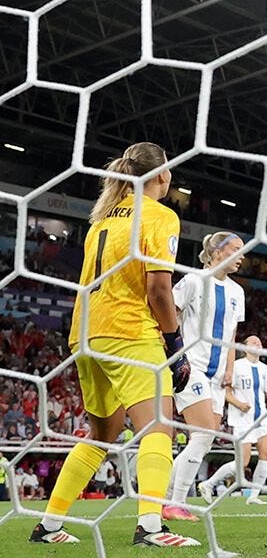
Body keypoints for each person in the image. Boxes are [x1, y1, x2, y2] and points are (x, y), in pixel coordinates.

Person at [30, 142, 200, 547]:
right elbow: (159, 289)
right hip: (128, 330)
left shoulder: (102, 220)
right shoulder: (160, 216)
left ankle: (48, 526)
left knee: (103, 433)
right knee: (160, 425)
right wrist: (175, 343)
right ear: (164, 175)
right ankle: (151, 527)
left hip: (86, 333)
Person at [164, 232, 246, 520]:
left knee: (204, 439)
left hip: (217, 375)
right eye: (236, 249)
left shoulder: (237, 292)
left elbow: (233, 335)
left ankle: (167, 498)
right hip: (191, 367)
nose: (242, 256)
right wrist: (176, 356)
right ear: (218, 251)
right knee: (203, 434)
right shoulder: (193, 281)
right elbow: (169, 314)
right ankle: (174, 502)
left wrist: (230, 370)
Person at [197, 336, 267, 505]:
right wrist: (239, 404)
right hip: (242, 421)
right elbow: (225, 392)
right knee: (243, 462)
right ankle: (208, 484)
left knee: (266, 455)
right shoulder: (237, 367)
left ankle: (254, 496)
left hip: (262, 420)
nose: (258, 344)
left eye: (260, 343)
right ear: (245, 348)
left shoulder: (265, 369)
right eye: (254, 342)